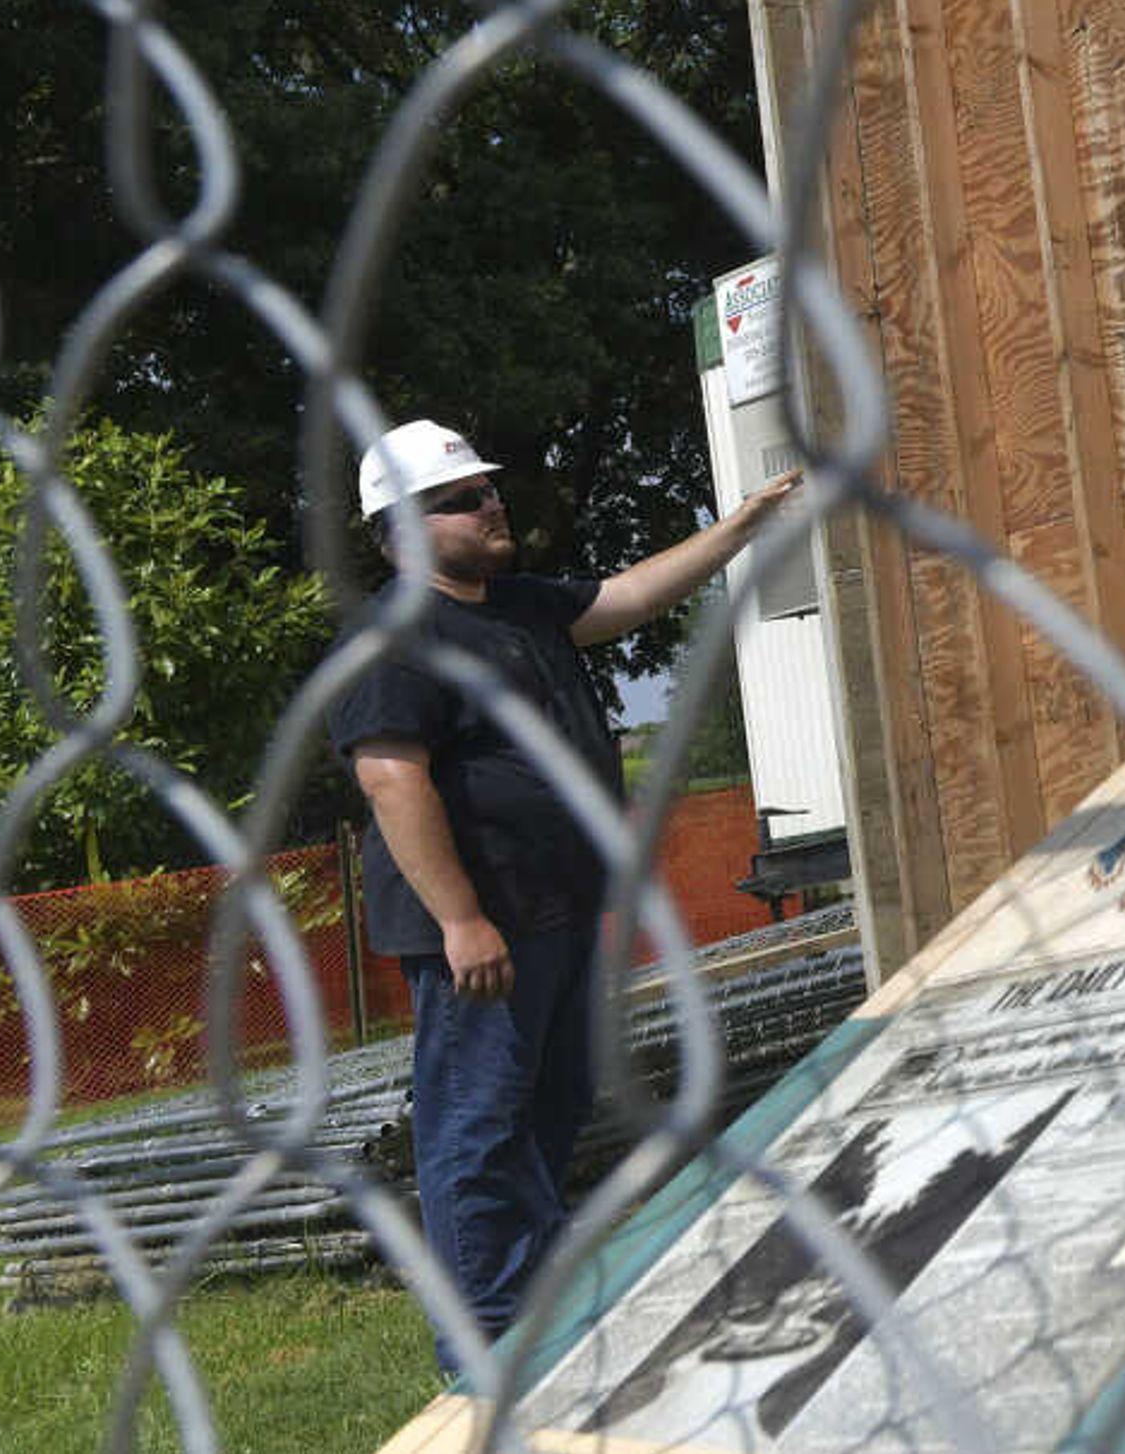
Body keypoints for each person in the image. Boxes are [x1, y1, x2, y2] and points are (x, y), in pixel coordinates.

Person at [325, 417, 803, 1375]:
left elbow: (626, 596)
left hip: (557, 914)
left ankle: (536, 1299)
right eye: (463, 499)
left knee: (549, 1107)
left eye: (487, 489)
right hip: (484, 926)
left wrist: (742, 526)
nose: (490, 503)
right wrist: (462, 920)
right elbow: (392, 781)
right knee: (475, 1122)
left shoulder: (517, 604)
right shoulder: (395, 637)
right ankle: (487, 1342)